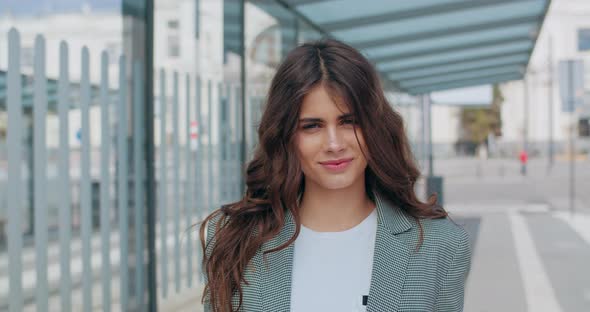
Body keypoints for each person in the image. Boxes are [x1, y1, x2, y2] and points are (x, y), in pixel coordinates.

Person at [199, 39, 472, 312]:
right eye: (312, 126)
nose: (334, 144)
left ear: (374, 127)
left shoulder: (440, 245)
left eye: (349, 122)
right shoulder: (234, 238)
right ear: (285, 136)